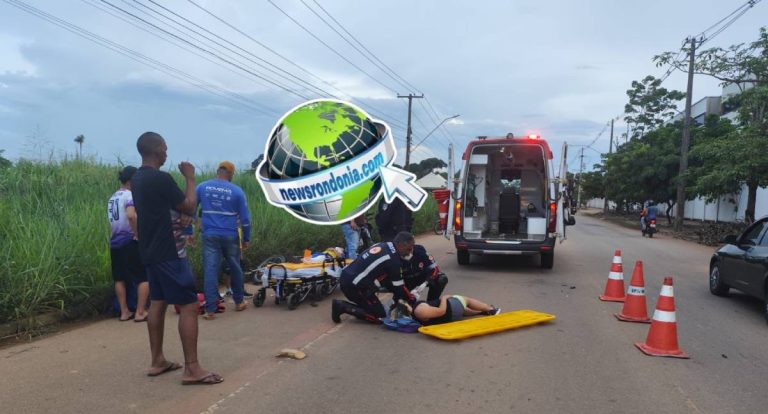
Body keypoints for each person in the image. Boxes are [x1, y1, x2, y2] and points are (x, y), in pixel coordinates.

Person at [131, 131, 222, 385]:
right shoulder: (160, 178)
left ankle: (157, 360)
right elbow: (189, 204)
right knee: (190, 305)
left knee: (158, 301)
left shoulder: (137, 179)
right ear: (158, 150)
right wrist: (190, 178)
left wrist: (181, 216)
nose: (167, 153)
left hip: (150, 250)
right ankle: (192, 368)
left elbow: (168, 209)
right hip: (170, 251)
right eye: (165, 148)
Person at [196, 161, 252, 320]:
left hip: (209, 235)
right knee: (235, 267)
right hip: (230, 235)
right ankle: (239, 302)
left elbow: (191, 208)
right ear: (230, 174)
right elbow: (246, 219)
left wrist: (189, 231)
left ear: (217, 171)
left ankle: (210, 310)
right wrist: (246, 238)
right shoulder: (237, 191)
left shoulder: (202, 187)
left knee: (210, 270)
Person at [331, 232, 416, 324]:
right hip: (353, 286)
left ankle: (364, 307)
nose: (410, 252)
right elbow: (399, 287)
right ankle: (341, 306)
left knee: (374, 304)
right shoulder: (393, 261)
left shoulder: (383, 244)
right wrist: (411, 299)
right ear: (401, 245)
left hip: (349, 275)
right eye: (409, 249)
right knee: (379, 317)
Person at [107, 166, 149, 322]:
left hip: (115, 242)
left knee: (119, 278)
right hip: (130, 241)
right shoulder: (129, 195)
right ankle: (140, 311)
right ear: (132, 180)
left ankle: (124, 311)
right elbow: (131, 215)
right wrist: (137, 234)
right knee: (143, 277)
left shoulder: (112, 198)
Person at [404, 295, 500, 326]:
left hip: (453, 314)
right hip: (451, 311)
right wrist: (444, 298)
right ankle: (491, 310)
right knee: (465, 300)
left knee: (462, 308)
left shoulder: (415, 313)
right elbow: (441, 311)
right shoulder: (419, 311)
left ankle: (481, 312)